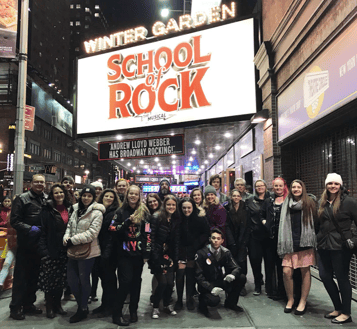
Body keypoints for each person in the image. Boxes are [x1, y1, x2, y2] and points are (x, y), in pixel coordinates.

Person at [316, 173, 357, 324]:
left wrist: (353, 240)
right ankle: (338, 308)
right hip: (323, 246)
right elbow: (318, 224)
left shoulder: (349, 202)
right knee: (325, 276)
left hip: (341, 247)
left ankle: (346, 313)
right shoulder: (322, 202)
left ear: (340, 185)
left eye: (336, 183)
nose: (333, 186)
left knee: (342, 279)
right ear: (326, 185)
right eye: (330, 183)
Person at [108, 185, 151, 326]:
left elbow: (148, 233)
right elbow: (112, 228)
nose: (133, 196)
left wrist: (146, 253)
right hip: (124, 254)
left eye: (136, 194)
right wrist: (127, 222)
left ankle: (133, 310)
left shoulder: (144, 212)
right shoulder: (120, 211)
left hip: (138, 254)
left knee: (136, 283)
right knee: (125, 282)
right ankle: (117, 313)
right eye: (130, 194)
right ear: (127, 195)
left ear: (139, 196)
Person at [63, 185, 105, 323]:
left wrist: (72, 240)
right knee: (71, 280)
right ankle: (81, 304)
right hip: (73, 250)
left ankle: (82, 308)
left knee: (84, 279)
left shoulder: (97, 212)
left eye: (90, 196)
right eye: (84, 195)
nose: (86, 198)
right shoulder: (75, 210)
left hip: (88, 252)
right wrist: (66, 237)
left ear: (93, 198)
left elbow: (92, 233)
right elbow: (69, 226)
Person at [9, 174, 47, 320]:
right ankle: (16, 307)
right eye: (36, 181)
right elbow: (15, 221)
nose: (39, 184)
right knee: (21, 278)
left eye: (41, 182)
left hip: (39, 245)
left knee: (34, 277)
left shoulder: (45, 198)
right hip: (26, 245)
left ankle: (28, 304)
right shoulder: (22, 198)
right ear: (31, 183)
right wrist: (29, 228)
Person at [277, 180, 317, 315]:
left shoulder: (309, 203)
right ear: (290, 189)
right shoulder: (286, 204)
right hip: (289, 243)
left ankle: (302, 301)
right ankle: (290, 299)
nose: (296, 189)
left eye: (298, 187)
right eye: (293, 187)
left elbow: (316, 222)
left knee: (305, 272)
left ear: (302, 189)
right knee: (286, 272)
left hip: (305, 243)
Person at [38, 184, 72, 318]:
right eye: (56, 193)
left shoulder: (69, 208)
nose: (59, 195)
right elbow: (42, 230)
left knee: (61, 280)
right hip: (51, 249)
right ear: (52, 195)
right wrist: (44, 251)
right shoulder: (47, 209)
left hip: (65, 250)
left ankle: (58, 305)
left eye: (61, 192)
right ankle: (50, 307)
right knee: (50, 281)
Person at [195, 228, 246, 318]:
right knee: (214, 301)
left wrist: (232, 275)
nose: (215, 241)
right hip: (207, 284)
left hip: (219, 280)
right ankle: (202, 304)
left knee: (241, 277)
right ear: (210, 239)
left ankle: (231, 303)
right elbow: (198, 276)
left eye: (218, 239)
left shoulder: (225, 252)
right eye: (213, 238)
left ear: (222, 241)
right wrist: (211, 288)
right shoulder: (201, 253)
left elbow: (236, 267)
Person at [175, 197, 210, 311]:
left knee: (190, 275)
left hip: (194, 250)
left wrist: (196, 244)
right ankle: (179, 299)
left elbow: (206, 233)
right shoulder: (177, 219)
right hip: (180, 251)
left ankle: (189, 298)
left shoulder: (200, 218)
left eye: (189, 207)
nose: (186, 210)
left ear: (193, 207)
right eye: (184, 208)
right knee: (180, 275)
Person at [150, 194, 180, 319]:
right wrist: (154, 258)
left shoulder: (175, 219)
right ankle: (156, 307)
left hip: (170, 257)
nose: (171, 207)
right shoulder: (156, 217)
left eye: (173, 205)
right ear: (164, 205)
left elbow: (176, 241)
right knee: (162, 283)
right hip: (157, 256)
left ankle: (167, 305)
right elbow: (150, 238)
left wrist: (176, 258)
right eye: (168, 204)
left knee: (169, 284)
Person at [92, 189, 120, 318]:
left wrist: (106, 253)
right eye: (106, 196)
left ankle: (110, 307)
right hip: (98, 249)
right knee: (103, 279)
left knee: (109, 280)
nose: (108, 198)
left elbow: (111, 235)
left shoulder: (115, 213)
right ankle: (105, 304)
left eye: (111, 197)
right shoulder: (98, 211)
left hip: (110, 251)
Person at [261, 177, 289, 300]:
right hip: (269, 238)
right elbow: (261, 214)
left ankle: (282, 291)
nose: (278, 188)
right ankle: (271, 290)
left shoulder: (289, 200)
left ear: (284, 186)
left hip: (284, 238)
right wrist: (264, 222)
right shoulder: (268, 200)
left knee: (282, 265)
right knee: (269, 264)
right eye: (276, 186)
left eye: (280, 186)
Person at [245, 180, 271, 295]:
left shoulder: (272, 198)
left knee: (269, 262)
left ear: (265, 186)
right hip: (254, 236)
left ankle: (270, 286)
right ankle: (258, 284)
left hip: (269, 236)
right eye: (257, 186)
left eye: (262, 185)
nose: (260, 187)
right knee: (255, 262)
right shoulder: (250, 200)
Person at [225, 189, 250, 296]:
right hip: (231, 241)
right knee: (230, 262)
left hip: (242, 240)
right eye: (234, 195)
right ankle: (230, 284)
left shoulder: (246, 208)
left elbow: (247, 226)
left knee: (242, 263)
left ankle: (241, 285)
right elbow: (226, 226)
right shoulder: (227, 208)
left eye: (238, 196)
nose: (236, 197)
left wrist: (244, 241)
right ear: (231, 197)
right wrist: (231, 241)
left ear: (240, 197)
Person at [89, 181, 104, 301]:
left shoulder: (105, 203)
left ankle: (93, 293)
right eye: (95, 189)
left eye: (100, 189)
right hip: (87, 241)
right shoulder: (86, 203)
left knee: (96, 271)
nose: (98, 191)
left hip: (101, 243)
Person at [0, 197, 14, 291]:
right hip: (3, 240)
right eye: (5, 201)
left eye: (9, 201)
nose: (7, 203)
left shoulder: (14, 213)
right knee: (4, 262)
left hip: (12, 242)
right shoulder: (1, 212)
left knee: (8, 263)